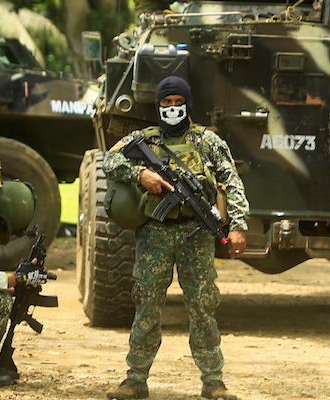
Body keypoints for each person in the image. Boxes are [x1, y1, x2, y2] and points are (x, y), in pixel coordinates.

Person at [102, 76, 249, 400]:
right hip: (154, 234)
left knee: (202, 307)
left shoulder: (206, 141)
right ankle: (135, 379)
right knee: (147, 306)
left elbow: (231, 179)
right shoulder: (144, 139)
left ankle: (213, 381)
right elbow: (110, 160)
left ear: (187, 104)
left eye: (177, 103)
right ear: (158, 106)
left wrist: (237, 225)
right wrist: (139, 173)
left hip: (194, 235)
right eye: (165, 103)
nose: (172, 108)